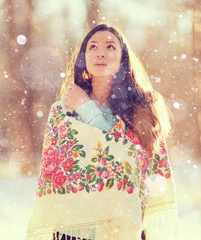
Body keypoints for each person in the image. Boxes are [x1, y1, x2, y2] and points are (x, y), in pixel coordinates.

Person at [26, 23, 177, 240]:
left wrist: (88, 110)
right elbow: (56, 174)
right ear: (84, 58)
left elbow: (131, 156)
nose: (100, 53)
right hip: (75, 225)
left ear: (123, 58)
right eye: (93, 47)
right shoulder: (63, 110)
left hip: (125, 223)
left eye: (110, 47)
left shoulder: (142, 108)